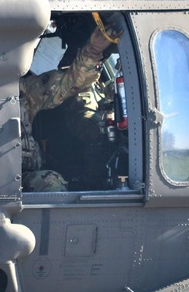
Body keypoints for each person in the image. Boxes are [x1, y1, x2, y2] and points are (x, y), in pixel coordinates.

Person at [21, 12, 124, 192]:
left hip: (19, 176)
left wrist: (93, 51)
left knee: (50, 182)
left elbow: (68, 84)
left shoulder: (23, 90)